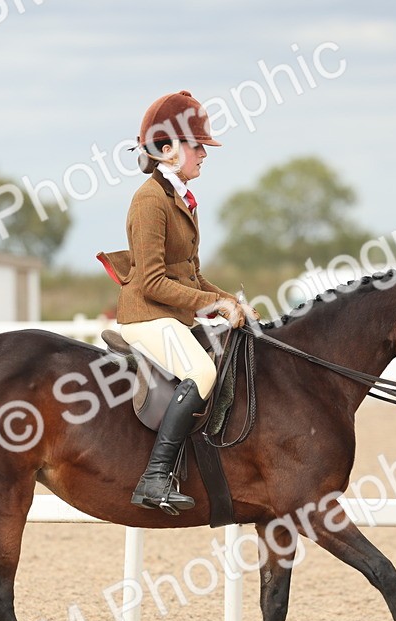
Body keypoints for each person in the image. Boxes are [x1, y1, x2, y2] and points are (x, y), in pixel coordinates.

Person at [115, 90, 257, 514]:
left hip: (171, 316)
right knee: (201, 370)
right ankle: (156, 477)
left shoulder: (181, 199)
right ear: (167, 149)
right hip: (147, 316)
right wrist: (213, 306)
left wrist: (230, 301)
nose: (203, 154)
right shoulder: (149, 201)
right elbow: (154, 281)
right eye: (197, 146)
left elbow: (191, 275)